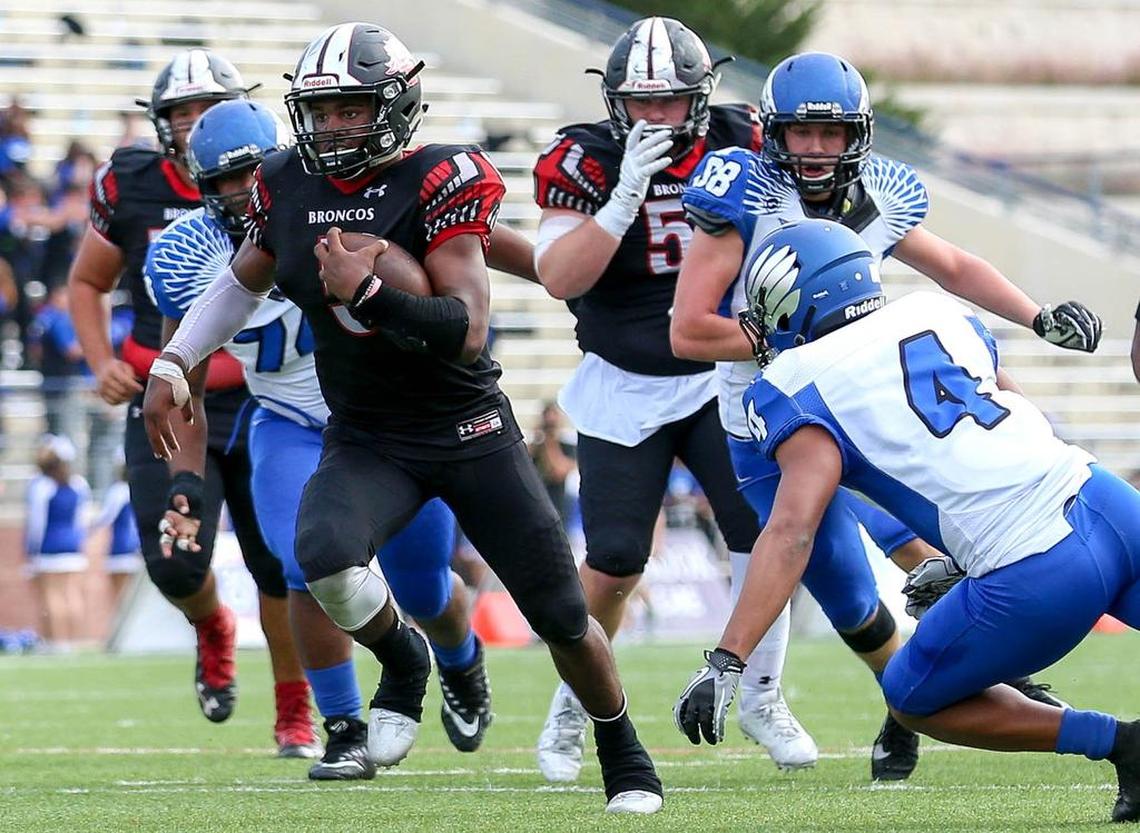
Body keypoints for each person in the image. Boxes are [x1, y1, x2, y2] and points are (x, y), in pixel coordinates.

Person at [140, 22, 662, 814]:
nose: (332, 126)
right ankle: (404, 660)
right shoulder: (286, 182)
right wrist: (174, 362)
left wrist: (369, 291)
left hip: (467, 429)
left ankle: (624, 748)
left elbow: (467, 327)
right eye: (319, 112)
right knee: (318, 554)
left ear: (394, 102)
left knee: (559, 612)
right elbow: (243, 280)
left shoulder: (442, 174)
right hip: (369, 432)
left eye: (350, 109)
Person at [670, 50, 1101, 780]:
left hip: (864, 400)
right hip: (773, 418)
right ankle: (906, 706)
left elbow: (955, 268)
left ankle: (974, 672)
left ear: (856, 136)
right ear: (771, 134)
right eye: (801, 135)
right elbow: (686, 331)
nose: (814, 149)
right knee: (845, 588)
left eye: (831, 134)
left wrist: (1036, 314)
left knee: (961, 537)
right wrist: (784, 335)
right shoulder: (739, 196)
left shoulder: (876, 196)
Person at [673, 218, 1140, 824]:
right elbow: (1011, 411)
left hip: (1036, 567)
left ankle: (1120, 743)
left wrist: (727, 660)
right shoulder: (937, 313)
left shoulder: (793, 384)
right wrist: (966, 555)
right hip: (1104, 497)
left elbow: (792, 531)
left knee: (912, 696)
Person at [145, 98, 497, 780]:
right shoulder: (189, 252)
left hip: (392, 418)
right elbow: (181, 368)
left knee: (424, 588)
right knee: (304, 565)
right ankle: (343, 727)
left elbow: (481, 239)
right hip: (290, 421)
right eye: (219, 181)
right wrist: (186, 485)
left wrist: (550, 268)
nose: (239, 191)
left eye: (248, 173)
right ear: (198, 184)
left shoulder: (333, 202)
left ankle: (460, 658)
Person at [530, 15, 816, 780]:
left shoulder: (744, 137)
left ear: (702, 95)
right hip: (626, 379)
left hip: (721, 372)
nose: (654, 116)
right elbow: (559, 278)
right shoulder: (583, 157)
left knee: (758, 531)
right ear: (615, 100)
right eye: (639, 101)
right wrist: (622, 198)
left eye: (669, 100)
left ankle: (760, 693)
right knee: (617, 559)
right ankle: (575, 702)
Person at [65, 48, 318, 758]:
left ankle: (295, 707)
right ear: (160, 123)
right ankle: (212, 626)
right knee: (175, 561)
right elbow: (86, 281)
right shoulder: (135, 183)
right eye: (181, 112)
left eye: (207, 108)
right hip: (170, 395)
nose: (196, 122)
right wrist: (101, 360)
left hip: (269, 396)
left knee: (283, 565)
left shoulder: (282, 183)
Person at [92, 461, 143, 607]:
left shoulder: (118, 490)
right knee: (134, 601)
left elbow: (106, 517)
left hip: (121, 548)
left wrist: (89, 531)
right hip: (138, 550)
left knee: (120, 599)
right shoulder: (141, 489)